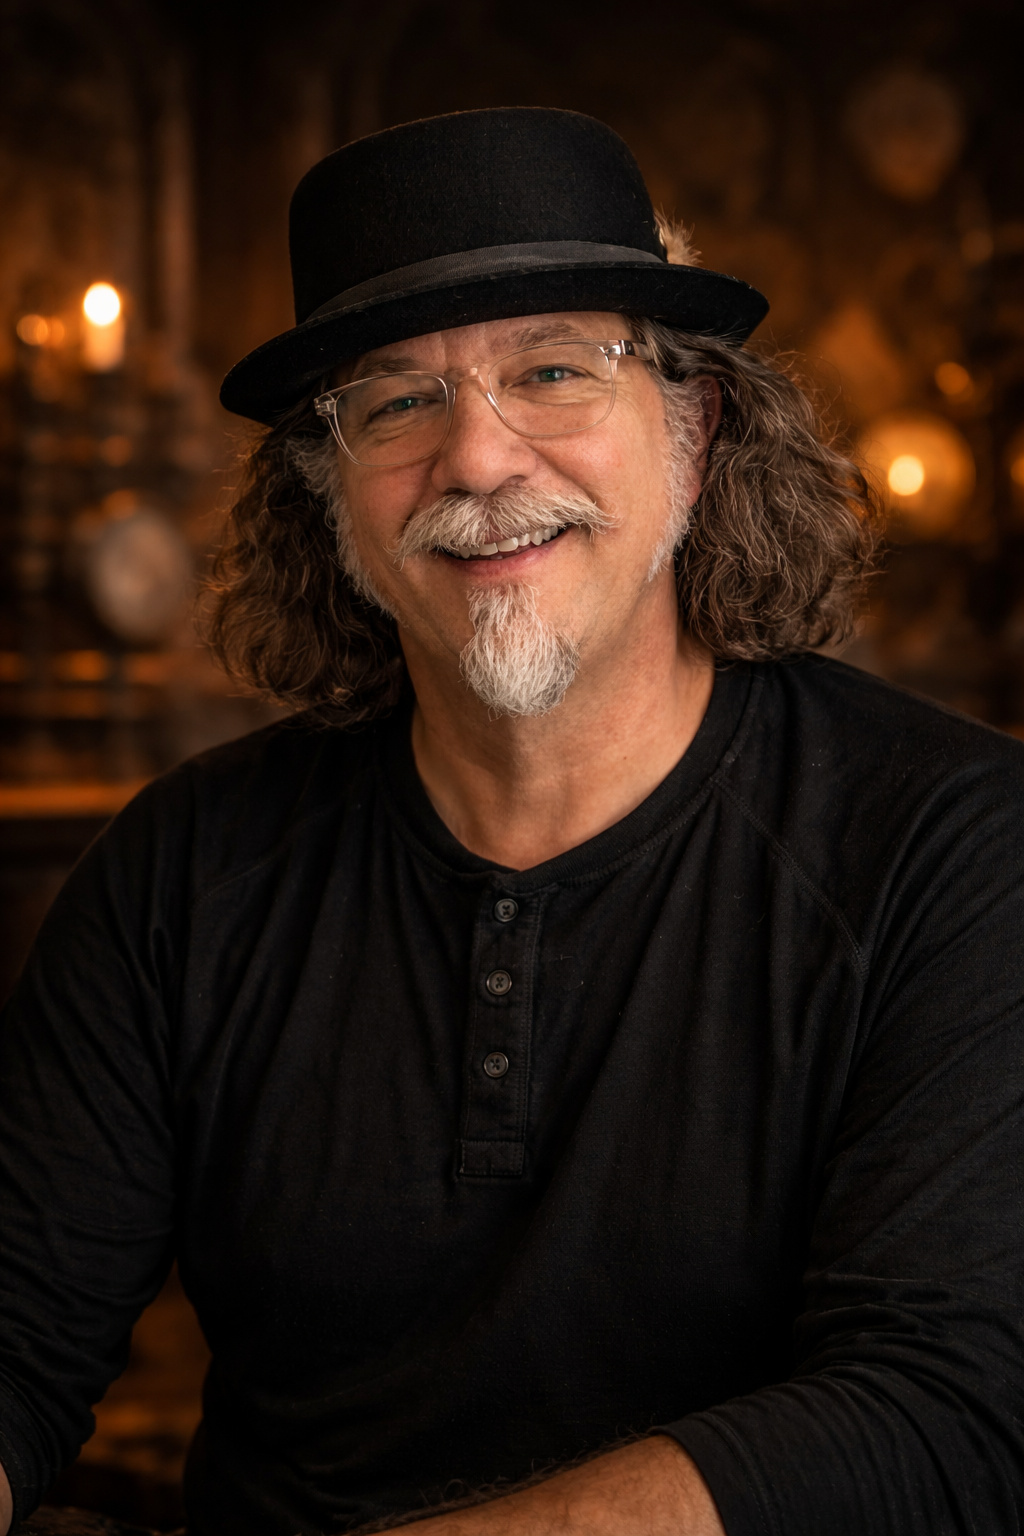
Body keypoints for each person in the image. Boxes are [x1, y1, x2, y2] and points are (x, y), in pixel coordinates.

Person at [0, 107, 1022, 1536]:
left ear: (695, 427)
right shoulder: (179, 867)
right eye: (397, 401)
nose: (478, 461)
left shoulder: (953, 845)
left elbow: (946, 1418)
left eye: (554, 370)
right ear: (327, 488)